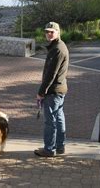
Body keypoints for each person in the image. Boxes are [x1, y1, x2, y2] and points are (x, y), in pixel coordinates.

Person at [34, 21, 69, 157]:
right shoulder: (58, 46)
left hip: (54, 91)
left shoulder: (57, 49)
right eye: (47, 31)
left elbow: (51, 74)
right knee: (59, 118)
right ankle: (60, 146)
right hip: (60, 89)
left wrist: (41, 92)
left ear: (58, 32)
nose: (48, 34)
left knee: (50, 121)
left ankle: (49, 149)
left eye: (51, 32)